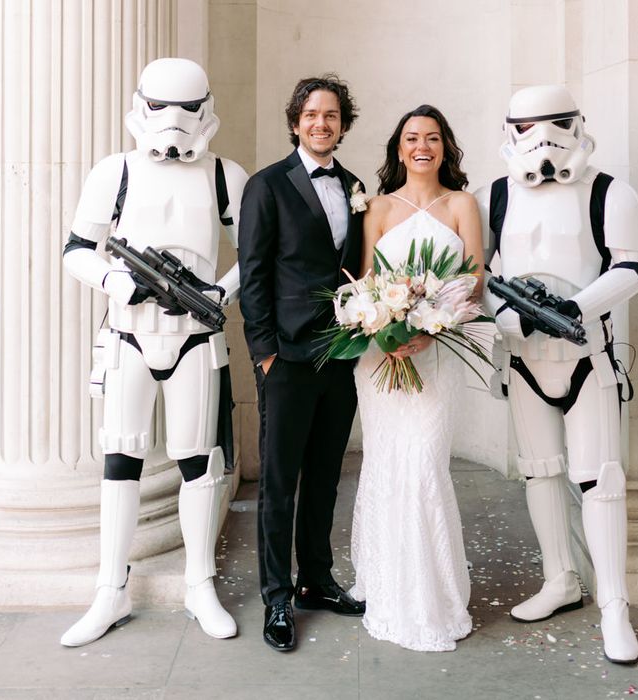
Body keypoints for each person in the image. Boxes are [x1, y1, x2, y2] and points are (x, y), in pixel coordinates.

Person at [60, 58, 247, 646]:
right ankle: (110, 590)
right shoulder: (113, 171)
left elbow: (255, 255)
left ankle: (200, 582)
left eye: (187, 109)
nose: (173, 123)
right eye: (162, 107)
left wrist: (221, 291)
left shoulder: (225, 175)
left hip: (195, 335)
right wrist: (119, 282)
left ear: (205, 110)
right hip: (128, 333)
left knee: (199, 460)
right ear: (141, 106)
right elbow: (77, 249)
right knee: (122, 458)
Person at [477, 85, 638, 664]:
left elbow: (631, 267)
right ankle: (560, 579)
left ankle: (615, 606)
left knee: (600, 481)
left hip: (588, 358)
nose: (542, 138)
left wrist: (577, 310)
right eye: (527, 127)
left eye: (555, 124)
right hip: (525, 362)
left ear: (577, 124)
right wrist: (509, 320)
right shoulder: (495, 196)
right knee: (540, 473)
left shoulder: (610, 192)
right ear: (509, 131)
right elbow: (475, 276)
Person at [238, 74, 366, 652]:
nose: (322, 123)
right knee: (280, 483)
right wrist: (264, 353)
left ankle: (317, 580)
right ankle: (276, 598)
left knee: (325, 477)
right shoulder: (267, 185)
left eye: (332, 115)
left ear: (343, 124)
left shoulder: (356, 185)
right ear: (295, 122)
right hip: (286, 357)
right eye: (312, 114)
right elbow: (254, 275)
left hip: (342, 356)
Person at [349, 105, 483, 652]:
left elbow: (474, 274)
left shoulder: (462, 204)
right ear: (399, 149)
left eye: (432, 137)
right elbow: (365, 280)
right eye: (411, 138)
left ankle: (433, 597)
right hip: (382, 358)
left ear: (446, 147)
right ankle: (385, 585)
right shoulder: (377, 208)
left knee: (425, 462)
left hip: (438, 353)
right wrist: (383, 326)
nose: (422, 145)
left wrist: (433, 324)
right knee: (386, 461)